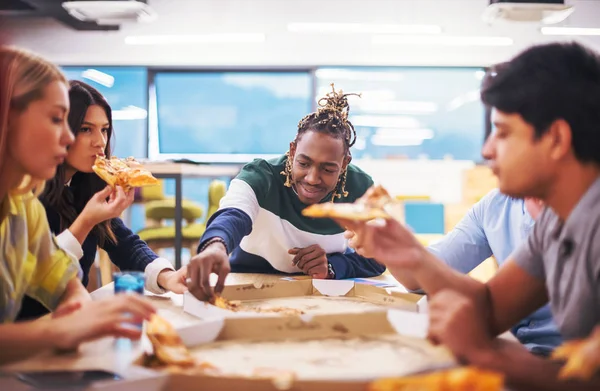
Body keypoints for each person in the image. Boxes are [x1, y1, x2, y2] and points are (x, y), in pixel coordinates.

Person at [338, 42, 600, 390]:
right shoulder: (556, 221)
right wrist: (413, 255)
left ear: (556, 139)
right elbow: (491, 307)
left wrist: (491, 355)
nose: (487, 150)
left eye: (503, 132)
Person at [0, 46, 155, 363]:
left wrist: (78, 307)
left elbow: (59, 277)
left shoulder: (22, 204)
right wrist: (64, 329)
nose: (68, 138)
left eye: (104, 131)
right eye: (58, 120)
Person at [187, 85, 385, 299]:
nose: (312, 178)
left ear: (344, 163)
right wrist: (216, 246)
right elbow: (233, 214)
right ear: (292, 151)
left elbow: (379, 257)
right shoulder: (261, 175)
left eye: (328, 169)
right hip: (250, 285)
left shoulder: (360, 188)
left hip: (319, 293)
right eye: (303, 163)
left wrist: (332, 266)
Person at [17, 80, 187, 321]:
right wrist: (86, 221)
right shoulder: (25, 194)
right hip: (28, 333)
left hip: (72, 323)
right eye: (86, 129)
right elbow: (34, 280)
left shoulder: (83, 186)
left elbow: (123, 243)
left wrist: (167, 276)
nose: (100, 142)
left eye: (104, 129)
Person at [393, 189, 561, 356]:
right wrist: (401, 252)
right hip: (517, 349)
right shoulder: (497, 204)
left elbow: (491, 307)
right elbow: (491, 303)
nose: (487, 160)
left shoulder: (577, 215)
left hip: (563, 366)